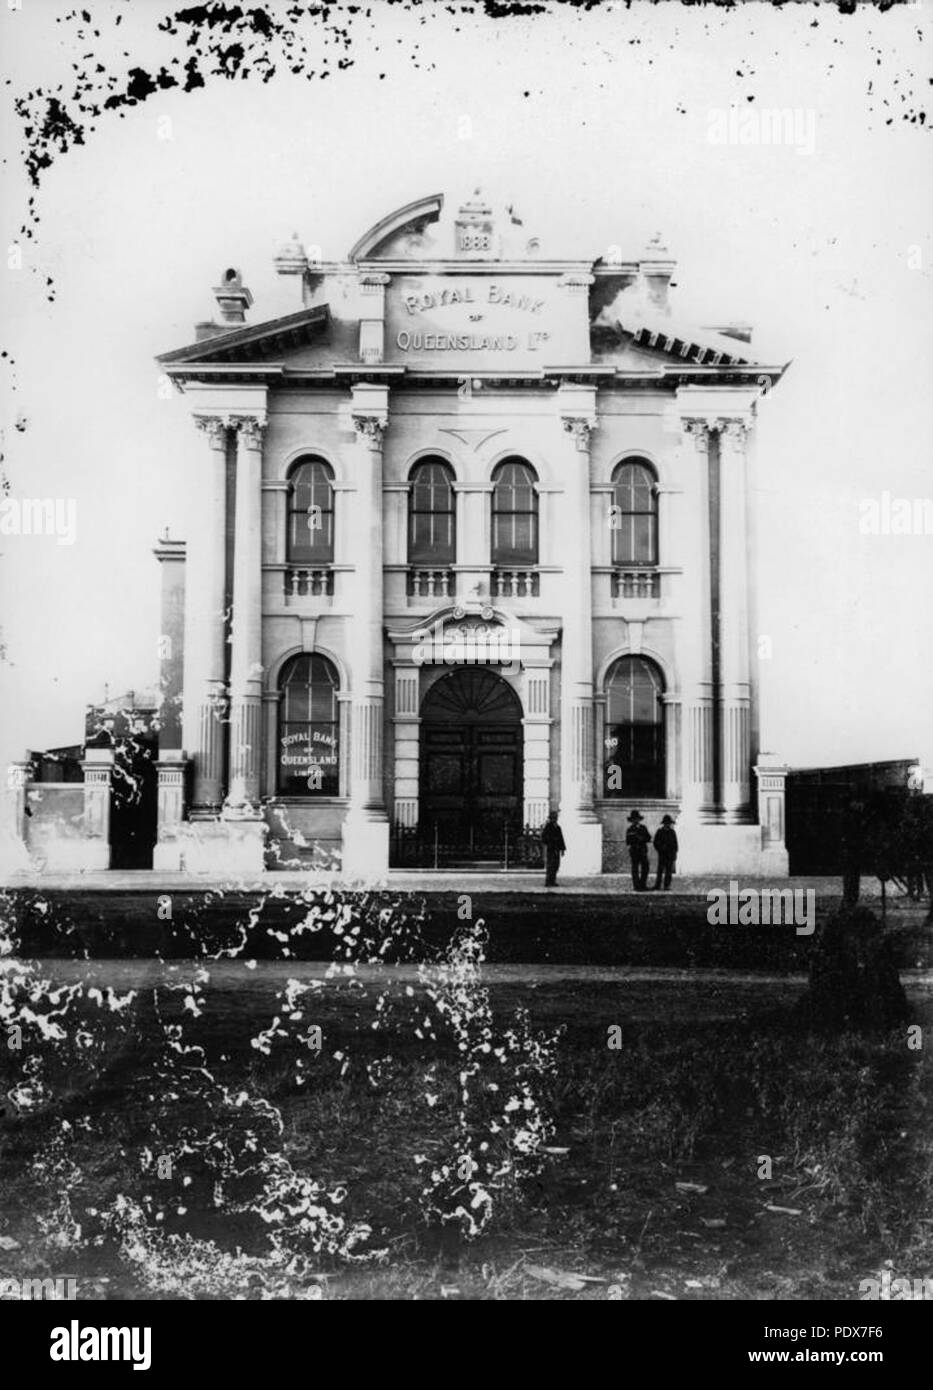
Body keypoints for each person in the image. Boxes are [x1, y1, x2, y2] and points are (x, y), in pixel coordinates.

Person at [625, 809, 651, 890]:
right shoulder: (630, 829)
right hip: (634, 851)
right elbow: (628, 841)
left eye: (636, 819)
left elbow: (648, 837)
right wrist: (634, 839)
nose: (635, 820)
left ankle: (643, 885)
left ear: (639, 819)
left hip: (642, 850)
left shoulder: (643, 828)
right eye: (633, 819)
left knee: (645, 868)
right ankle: (636, 886)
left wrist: (641, 838)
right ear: (631, 820)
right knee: (635, 869)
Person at [652, 814, 678, 890]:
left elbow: (675, 844)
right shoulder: (659, 832)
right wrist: (660, 849)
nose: (668, 824)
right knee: (660, 870)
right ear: (664, 823)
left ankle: (667, 885)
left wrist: (675, 853)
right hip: (662, 854)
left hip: (670, 855)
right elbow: (656, 843)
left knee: (668, 871)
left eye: (669, 823)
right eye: (666, 823)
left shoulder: (672, 832)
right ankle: (657, 885)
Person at [541, 810, 566, 887]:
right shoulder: (548, 827)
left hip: (557, 849)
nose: (555, 819)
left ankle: (553, 881)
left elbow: (561, 838)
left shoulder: (558, 827)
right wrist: (550, 842)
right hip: (551, 849)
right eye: (554, 818)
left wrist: (562, 849)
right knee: (550, 865)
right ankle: (548, 881)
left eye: (556, 817)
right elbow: (544, 838)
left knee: (556, 865)